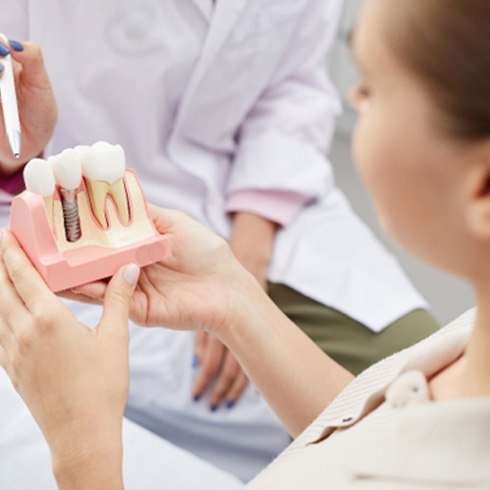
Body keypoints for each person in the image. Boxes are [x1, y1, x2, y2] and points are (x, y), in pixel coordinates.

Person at [1, 0, 490, 486]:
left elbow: (295, 88)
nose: (355, 98)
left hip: (273, 222)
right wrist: (235, 302)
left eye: (371, 88)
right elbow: (376, 439)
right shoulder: (466, 358)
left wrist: (83, 447)